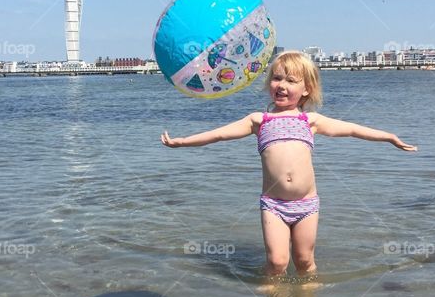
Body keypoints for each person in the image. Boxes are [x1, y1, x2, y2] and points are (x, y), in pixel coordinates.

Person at [161, 50, 417, 279]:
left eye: (291, 81)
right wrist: (183, 142)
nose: (281, 86)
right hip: (273, 205)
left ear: (306, 89)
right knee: (277, 262)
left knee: (305, 261)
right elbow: (218, 134)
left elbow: (351, 129)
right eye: (276, 78)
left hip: (307, 204)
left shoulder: (310, 120)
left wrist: (389, 137)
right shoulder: (259, 121)